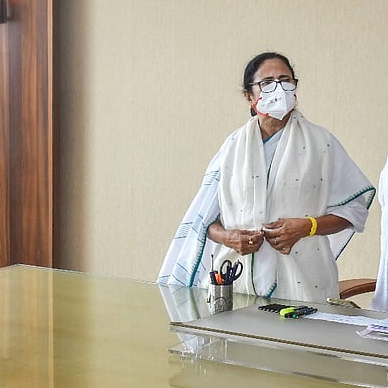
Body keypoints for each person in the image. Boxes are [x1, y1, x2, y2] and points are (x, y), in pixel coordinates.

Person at [158, 52, 375, 303]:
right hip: (236, 282)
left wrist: (307, 227)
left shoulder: (321, 143)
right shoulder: (232, 147)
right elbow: (206, 219)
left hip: (305, 282)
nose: (279, 89)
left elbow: (354, 210)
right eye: (267, 83)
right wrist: (229, 238)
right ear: (249, 96)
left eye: (285, 81)